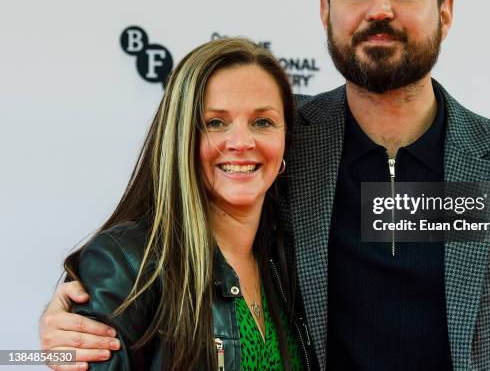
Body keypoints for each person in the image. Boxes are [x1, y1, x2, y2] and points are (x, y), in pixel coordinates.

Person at [40, 0, 490, 371]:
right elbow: (166, 231)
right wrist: (72, 311)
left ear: (446, 12)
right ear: (326, 11)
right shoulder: (281, 143)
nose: (379, 9)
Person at [44, 38, 312, 370]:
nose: (242, 142)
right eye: (215, 123)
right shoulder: (128, 263)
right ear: (182, 137)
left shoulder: (290, 258)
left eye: (263, 122)